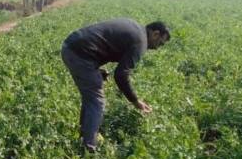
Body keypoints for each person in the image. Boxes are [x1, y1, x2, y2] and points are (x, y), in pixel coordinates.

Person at [61, 19, 170, 152]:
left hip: (72, 46)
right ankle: (89, 147)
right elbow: (121, 75)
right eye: (160, 43)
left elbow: (102, 42)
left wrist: (96, 69)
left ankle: (85, 136)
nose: (158, 47)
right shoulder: (140, 42)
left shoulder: (135, 28)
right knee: (96, 100)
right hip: (79, 54)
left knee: (90, 95)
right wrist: (135, 101)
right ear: (155, 34)